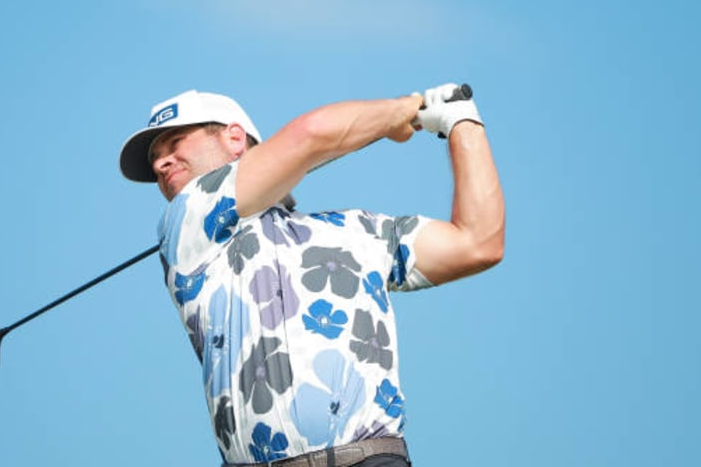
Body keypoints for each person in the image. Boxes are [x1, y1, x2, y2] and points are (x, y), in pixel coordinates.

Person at [119, 85, 504, 467]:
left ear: (235, 137)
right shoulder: (187, 221)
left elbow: (478, 243)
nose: (160, 164)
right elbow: (311, 136)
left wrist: (462, 121)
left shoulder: (356, 231)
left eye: (175, 143)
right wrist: (401, 111)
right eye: (155, 158)